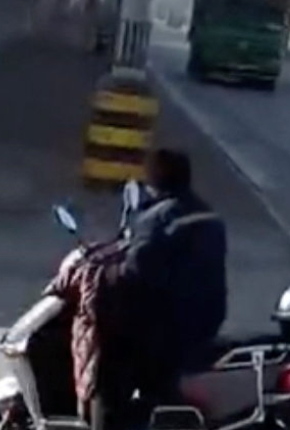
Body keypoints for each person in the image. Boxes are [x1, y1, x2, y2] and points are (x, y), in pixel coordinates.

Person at [96, 149, 228, 428]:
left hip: (166, 330)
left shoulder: (155, 219)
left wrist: (108, 276)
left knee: (108, 375)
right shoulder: (209, 216)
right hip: (207, 322)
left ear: (155, 180)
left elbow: (136, 272)